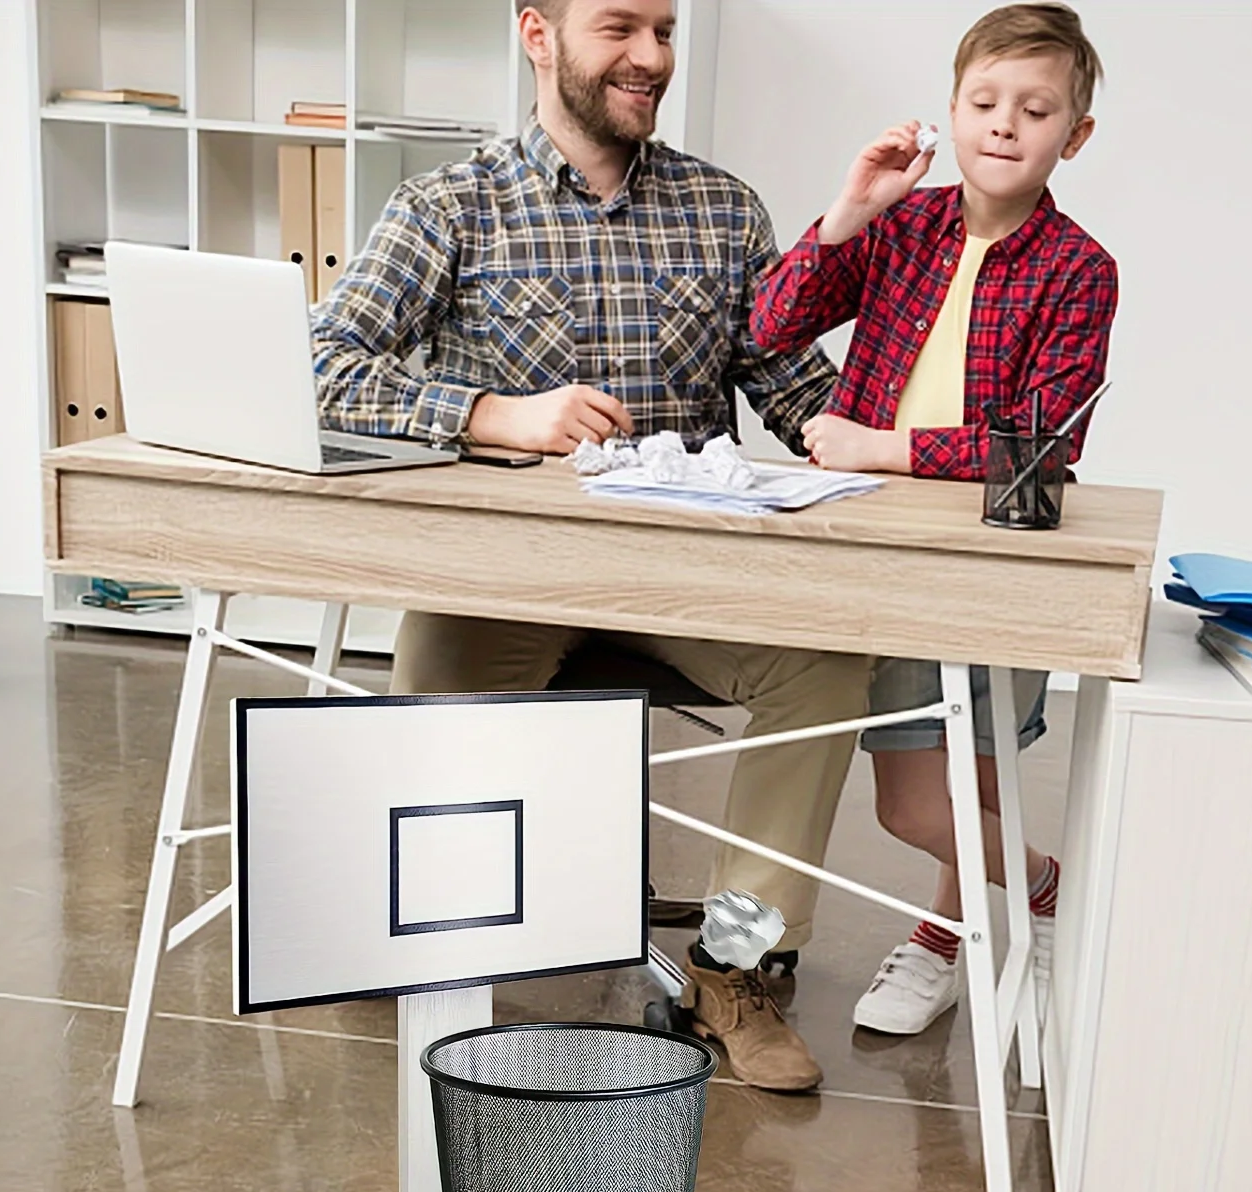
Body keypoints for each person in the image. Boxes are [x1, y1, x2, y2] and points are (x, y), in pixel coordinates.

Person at [309, 0, 870, 1093]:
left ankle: (735, 967)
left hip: (688, 575)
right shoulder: (447, 205)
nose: (651, 57)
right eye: (621, 26)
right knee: (428, 695)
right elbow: (321, 366)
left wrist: (914, 441)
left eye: (664, 31)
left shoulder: (724, 210)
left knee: (826, 663)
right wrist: (490, 413)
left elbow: (799, 392)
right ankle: (429, 923)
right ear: (537, 33)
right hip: (505, 581)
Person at [751, 3, 1116, 1034]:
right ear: (952, 113)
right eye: (985, 102)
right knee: (914, 802)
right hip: (882, 548)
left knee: (973, 782)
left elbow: (1043, 446)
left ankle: (939, 941)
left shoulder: (1080, 271)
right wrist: (848, 212)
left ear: (1071, 137)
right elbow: (769, 325)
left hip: (995, 556)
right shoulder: (903, 227)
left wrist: (880, 446)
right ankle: (1047, 888)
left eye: (1035, 110)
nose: (1005, 125)